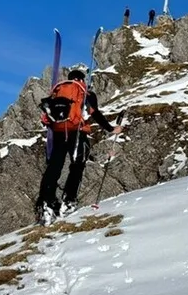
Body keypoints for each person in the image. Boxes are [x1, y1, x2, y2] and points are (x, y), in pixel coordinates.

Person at [36, 68, 124, 223]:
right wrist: (111, 129)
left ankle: (46, 203)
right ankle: (69, 201)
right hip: (77, 132)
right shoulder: (85, 93)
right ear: (83, 80)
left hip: (58, 132)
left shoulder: (58, 92)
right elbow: (94, 113)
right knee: (77, 165)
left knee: (54, 166)